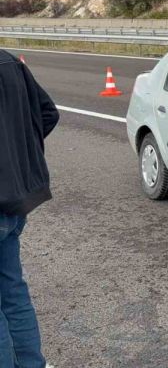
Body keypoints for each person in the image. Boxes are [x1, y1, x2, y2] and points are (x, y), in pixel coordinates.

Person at [0, 50, 59, 368]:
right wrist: (18, 161)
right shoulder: (9, 61)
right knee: (12, 289)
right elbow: (48, 114)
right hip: (14, 202)